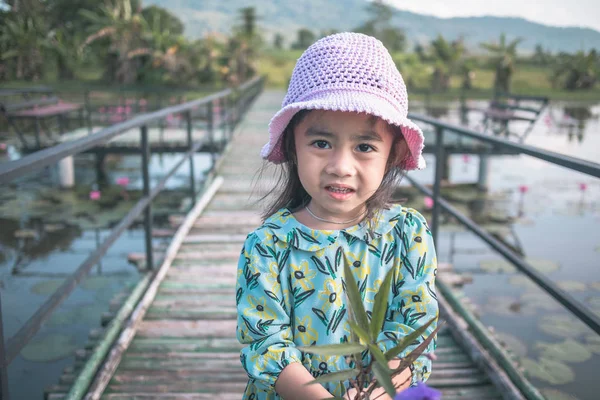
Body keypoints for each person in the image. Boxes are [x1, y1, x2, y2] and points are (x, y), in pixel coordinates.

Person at [235, 32, 439, 400]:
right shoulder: (269, 245)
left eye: (364, 147)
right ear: (293, 146)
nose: (341, 167)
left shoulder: (407, 235)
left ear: (392, 154)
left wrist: (382, 385)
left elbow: (416, 326)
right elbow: (265, 345)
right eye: (321, 143)